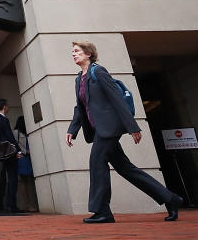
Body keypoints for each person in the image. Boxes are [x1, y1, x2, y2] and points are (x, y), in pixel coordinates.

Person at [66, 40, 184, 223]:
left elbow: (117, 99)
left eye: (77, 51)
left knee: (97, 163)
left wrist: (132, 127)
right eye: (72, 52)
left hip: (109, 128)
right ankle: (171, 199)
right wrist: (73, 129)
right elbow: (81, 106)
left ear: (88, 54)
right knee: (126, 168)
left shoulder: (98, 71)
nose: (73, 54)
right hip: (99, 130)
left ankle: (103, 211)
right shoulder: (79, 78)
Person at [0, 98, 23, 213]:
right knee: (13, 179)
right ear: (4, 107)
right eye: (7, 106)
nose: (8, 108)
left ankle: (8, 204)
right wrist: (18, 150)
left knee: (7, 177)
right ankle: (11, 205)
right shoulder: (4, 120)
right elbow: (10, 137)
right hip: (9, 152)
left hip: (1, 153)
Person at [14, 115, 39, 213]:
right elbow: (16, 145)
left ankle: (31, 204)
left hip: (28, 159)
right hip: (23, 158)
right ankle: (27, 204)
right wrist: (26, 152)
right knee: (25, 182)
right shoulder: (17, 132)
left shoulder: (27, 131)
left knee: (29, 182)